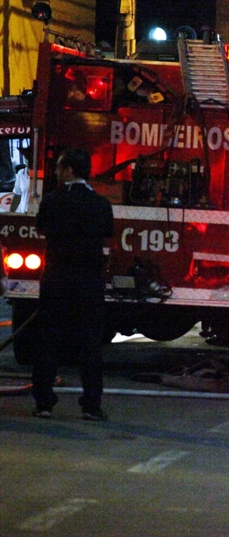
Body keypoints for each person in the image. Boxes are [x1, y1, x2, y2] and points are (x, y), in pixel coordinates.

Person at [31, 148, 114, 421]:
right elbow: (105, 239)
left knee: (48, 341)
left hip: (56, 279)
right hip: (89, 282)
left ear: (69, 171)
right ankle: (91, 404)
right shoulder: (101, 204)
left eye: (58, 168)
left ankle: (44, 402)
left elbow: (41, 229)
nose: (56, 172)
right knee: (90, 344)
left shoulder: (52, 201)